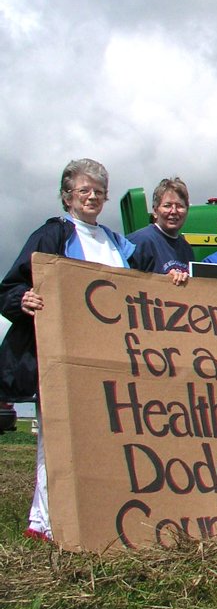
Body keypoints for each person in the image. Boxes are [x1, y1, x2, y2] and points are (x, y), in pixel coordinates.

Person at [0, 159, 137, 541]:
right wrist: (21, 300)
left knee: (100, 437)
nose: (91, 197)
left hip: (107, 356)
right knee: (59, 435)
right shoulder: (51, 235)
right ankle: (42, 522)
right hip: (61, 353)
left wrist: (175, 271)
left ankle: (93, 514)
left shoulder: (115, 242)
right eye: (83, 190)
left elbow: (146, 281)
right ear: (67, 196)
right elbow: (12, 286)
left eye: (98, 191)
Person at [127, 177, 193, 285]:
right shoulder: (139, 242)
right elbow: (124, 284)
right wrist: (163, 283)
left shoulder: (187, 249)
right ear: (155, 210)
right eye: (167, 206)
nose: (174, 211)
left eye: (180, 206)